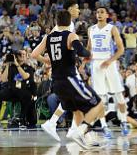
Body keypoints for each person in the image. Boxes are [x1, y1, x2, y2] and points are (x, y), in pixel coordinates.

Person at [32, 10, 106, 149]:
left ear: (56, 22)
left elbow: (34, 54)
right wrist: (90, 53)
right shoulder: (70, 35)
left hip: (57, 83)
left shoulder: (49, 37)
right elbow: (81, 51)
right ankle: (81, 131)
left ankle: (78, 135)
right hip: (70, 79)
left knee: (77, 111)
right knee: (99, 105)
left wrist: (48, 61)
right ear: (69, 21)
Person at [41, 1, 83, 141]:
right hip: (66, 67)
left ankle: (55, 123)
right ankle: (76, 130)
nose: (79, 10)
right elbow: (52, 41)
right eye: (77, 8)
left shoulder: (65, 25)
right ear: (70, 9)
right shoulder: (67, 26)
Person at [87, 7, 129, 138]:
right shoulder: (91, 29)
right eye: (97, 12)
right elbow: (88, 49)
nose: (99, 14)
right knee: (101, 100)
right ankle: (104, 126)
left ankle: (124, 121)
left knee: (119, 97)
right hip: (96, 65)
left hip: (109, 64)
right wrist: (83, 61)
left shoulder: (112, 28)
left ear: (106, 15)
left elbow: (121, 49)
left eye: (101, 12)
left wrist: (110, 61)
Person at [0, 50, 36, 129]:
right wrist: (8, 65)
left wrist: (17, 64)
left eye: (23, 54)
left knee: (27, 96)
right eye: (19, 54)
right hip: (11, 90)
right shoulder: (11, 67)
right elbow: (3, 79)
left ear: (26, 57)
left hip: (23, 90)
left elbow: (25, 76)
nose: (21, 56)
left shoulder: (28, 68)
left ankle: (22, 119)